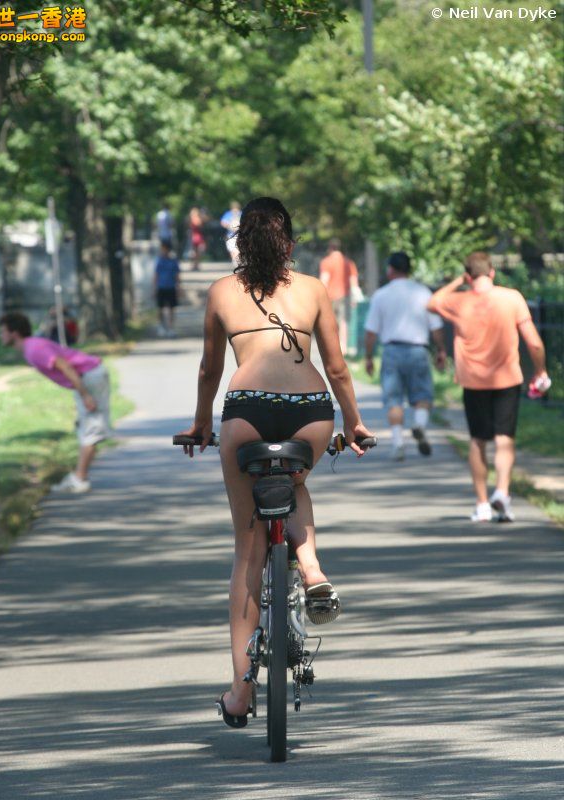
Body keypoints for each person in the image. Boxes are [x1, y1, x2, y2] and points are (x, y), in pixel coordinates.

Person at [177, 197, 375, 728]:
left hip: (247, 412)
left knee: (249, 549)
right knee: (296, 481)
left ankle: (241, 693)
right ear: (290, 241)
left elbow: (207, 371)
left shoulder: (222, 291)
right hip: (309, 410)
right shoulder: (312, 288)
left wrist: (201, 425)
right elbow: (335, 366)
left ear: (240, 241)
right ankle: (311, 567)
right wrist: (353, 423)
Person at [428, 251, 549, 522]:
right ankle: (502, 494)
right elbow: (535, 343)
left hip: (473, 381)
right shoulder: (512, 298)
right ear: (492, 272)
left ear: (468, 276)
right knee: (505, 438)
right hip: (507, 378)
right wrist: (540, 370)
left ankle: (482, 503)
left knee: (477, 441)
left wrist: (458, 281)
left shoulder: (458, 301)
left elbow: (432, 302)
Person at [0, 311, 112, 494]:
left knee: (91, 427)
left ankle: (79, 479)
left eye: (2, 331)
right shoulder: (31, 347)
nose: (0, 336)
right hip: (85, 378)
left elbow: (64, 365)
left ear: (14, 333)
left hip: (89, 377)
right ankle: (79, 476)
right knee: (87, 426)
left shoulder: (34, 349)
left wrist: (85, 395)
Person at [365, 252, 446, 461]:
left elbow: (371, 331)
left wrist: (368, 357)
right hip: (418, 350)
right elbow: (436, 327)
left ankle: (398, 444)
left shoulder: (382, 295)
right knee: (423, 396)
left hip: (391, 351)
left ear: (390, 269)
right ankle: (419, 424)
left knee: (394, 401)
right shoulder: (424, 293)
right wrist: (441, 350)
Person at [319, 239, 361, 353]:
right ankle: (343, 347)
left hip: (330, 297)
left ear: (330, 248)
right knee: (344, 322)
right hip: (345, 296)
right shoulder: (349, 263)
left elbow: (324, 281)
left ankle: (332, 346)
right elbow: (354, 282)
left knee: (331, 322)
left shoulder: (326, 262)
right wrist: (354, 298)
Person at [153, 241, 180, 338]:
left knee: (172, 308)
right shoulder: (159, 261)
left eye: (164, 248)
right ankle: (161, 326)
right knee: (160, 308)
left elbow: (177, 275)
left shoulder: (173, 261)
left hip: (171, 287)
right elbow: (156, 275)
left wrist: (178, 287)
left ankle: (171, 328)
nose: (162, 251)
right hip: (161, 287)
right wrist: (155, 287)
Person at [188, 207, 206, 271]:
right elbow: (200, 225)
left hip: (194, 236)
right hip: (198, 237)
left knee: (195, 252)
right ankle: (196, 265)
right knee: (197, 252)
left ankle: (195, 265)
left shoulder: (190, 219)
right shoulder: (197, 219)